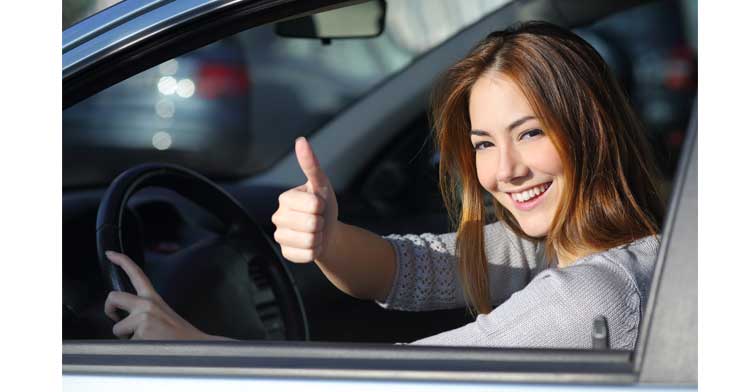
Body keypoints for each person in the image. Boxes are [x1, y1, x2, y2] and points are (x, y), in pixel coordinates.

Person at [104, 21, 664, 349]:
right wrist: (327, 239)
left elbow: (395, 379)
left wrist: (191, 349)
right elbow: (408, 269)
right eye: (485, 143)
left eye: (532, 133)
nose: (505, 170)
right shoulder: (565, 246)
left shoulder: (594, 295)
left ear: (591, 130)